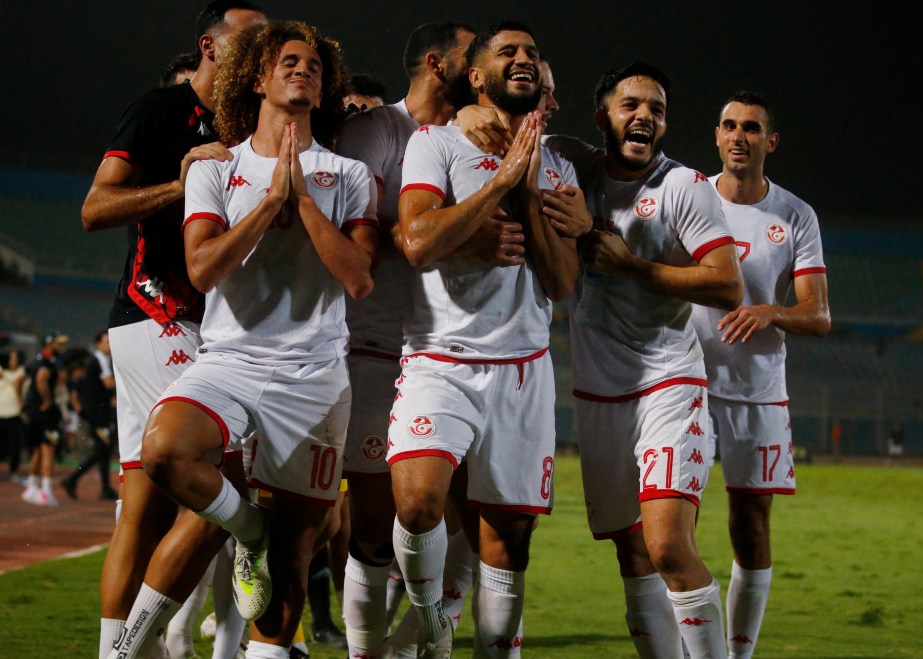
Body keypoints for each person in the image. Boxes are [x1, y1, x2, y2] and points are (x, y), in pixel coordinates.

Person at [137, 19, 377, 659]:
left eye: (315, 67)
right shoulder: (217, 169)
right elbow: (202, 268)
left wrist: (300, 204)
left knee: (298, 546)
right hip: (231, 360)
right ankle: (247, 528)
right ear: (260, 79)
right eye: (289, 61)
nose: (304, 70)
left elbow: (359, 279)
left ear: (325, 91)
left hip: (315, 375)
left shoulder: (348, 175)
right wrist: (269, 204)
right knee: (164, 452)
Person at [389, 22, 589, 657]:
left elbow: (560, 281)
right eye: (508, 52)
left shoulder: (556, 164)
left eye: (532, 51)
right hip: (438, 358)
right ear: (475, 77)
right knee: (419, 505)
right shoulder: (435, 144)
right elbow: (416, 241)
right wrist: (500, 182)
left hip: (523, 367)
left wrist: (528, 186)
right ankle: (433, 624)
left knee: (508, 540)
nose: (523, 58)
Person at [80, 2, 266, 656]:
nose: (262, 49)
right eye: (251, 38)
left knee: (145, 508)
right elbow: (95, 207)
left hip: (206, 322)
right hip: (159, 312)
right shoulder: (160, 110)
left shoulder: (249, 124)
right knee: (233, 485)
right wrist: (180, 180)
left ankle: (116, 650)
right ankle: (250, 543)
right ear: (210, 46)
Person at [545, 62, 743, 658]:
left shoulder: (683, 186)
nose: (645, 117)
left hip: (668, 382)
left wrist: (628, 262)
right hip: (600, 392)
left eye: (656, 109)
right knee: (631, 553)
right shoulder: (571, 166)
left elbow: (727, 286)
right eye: (630, 105)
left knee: (666, 547)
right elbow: (523, 130)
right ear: (602, 115)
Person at [333, 21, 493, 659]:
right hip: (376, 351)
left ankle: (431, 627)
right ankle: (366, 651)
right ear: (436, 64)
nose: (479, 67)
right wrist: (435, 233)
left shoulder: (473, 136)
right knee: (372, 527)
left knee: (476, 516)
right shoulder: (377, 132)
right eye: (468, 57)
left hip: (454, 352)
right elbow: (353, 230)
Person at [690, 91, 831, 657]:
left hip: (756, 392)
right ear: (717, 135)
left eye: (750, 128)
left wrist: (770, 310)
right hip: (686, 383)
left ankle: (738, 652)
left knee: (750, 524)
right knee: (671, 521)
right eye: (728, 125)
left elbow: (818, 315)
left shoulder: (795, 215)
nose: (737, 136)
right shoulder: (688, 196)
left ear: (769, 142)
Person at [61, 330, 119, 501]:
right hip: (98, 414)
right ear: (98, 344)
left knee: (104, 450)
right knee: (103, 449)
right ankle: (72, 479)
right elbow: (108, 383)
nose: (110, 345)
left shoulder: (101, 360)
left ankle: (105, 488)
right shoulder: (100, 360)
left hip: (97, 411)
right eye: (107, 341)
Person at [20, 332, 71, 506]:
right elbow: (42, 379)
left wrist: (23, 403)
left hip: (34, 410)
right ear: (50, 344)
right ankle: (46, 491)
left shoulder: (36, 360)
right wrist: (48, 400)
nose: (61, 346)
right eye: (58, 343)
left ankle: (32, 486)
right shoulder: (47, 363)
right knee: (48, 448)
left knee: (37, 449)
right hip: (45, 413)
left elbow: (19, 380)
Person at [0, 348, 26, 480]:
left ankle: (13, 471)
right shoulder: (3, 372)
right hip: (1, 413)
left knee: (14, 445)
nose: (11, 361)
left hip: (14, 413)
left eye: (14, 358)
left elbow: (17, 382)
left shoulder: (22, 372)